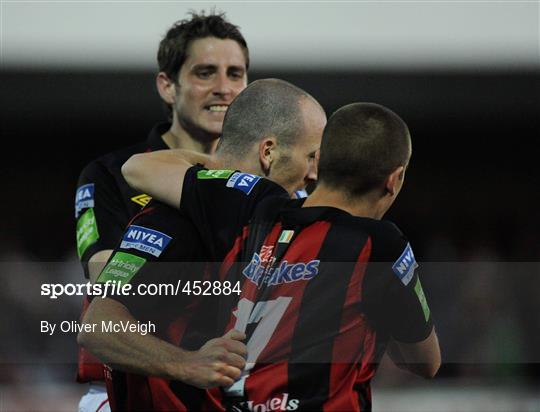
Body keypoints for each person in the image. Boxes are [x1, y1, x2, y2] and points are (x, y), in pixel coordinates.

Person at [122, 102, 441, 410]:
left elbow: (138, 166)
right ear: (394, 179)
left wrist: (221, 164)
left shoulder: (255, 204)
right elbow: (426, 362)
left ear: (320, 160)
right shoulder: (381, 245)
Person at [79, 79, 327, 410]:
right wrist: (187, 364)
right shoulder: (174, 221)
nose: (314, 174)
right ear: (268, 151)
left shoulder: (258, 225)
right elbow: (98, 326)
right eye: (310, 156)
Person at [74, 11, 249, 412]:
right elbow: (107, 278)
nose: (224, 88)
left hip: (229, 388)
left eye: (235, 74)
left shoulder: (257, 185)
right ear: (168, 86)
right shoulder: (110, 174)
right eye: (205, 73)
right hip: (128, 391)